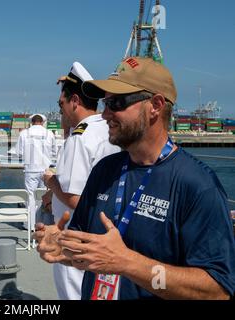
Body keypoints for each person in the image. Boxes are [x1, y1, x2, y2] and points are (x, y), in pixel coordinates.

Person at [35, 57, 235, 299]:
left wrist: (128, 263)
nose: (105, 113)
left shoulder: (197, 185)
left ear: (156, 105)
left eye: (116, 103)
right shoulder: (104, 171)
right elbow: (85, 251)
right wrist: (61, 248)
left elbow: (218, 290)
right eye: (106, 102)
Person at [41, 61, 120, 300]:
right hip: (102, 234)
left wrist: (51, 182)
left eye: (61, 103)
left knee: (74, 293)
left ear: (74, 101)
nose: (61, 109)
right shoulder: (107, 129)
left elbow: (77, 199)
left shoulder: (80, 136)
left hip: (75, 237)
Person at [15, 113, 56, 232]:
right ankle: (42, 224)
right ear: (42, 122)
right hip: (45, 170)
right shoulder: (49, 133)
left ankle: (30, 225)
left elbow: (19, 153)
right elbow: (54, 152)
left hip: (30, 169)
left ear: (31, 122)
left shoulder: (24, 133)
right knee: (43, 197)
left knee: (30, 197)